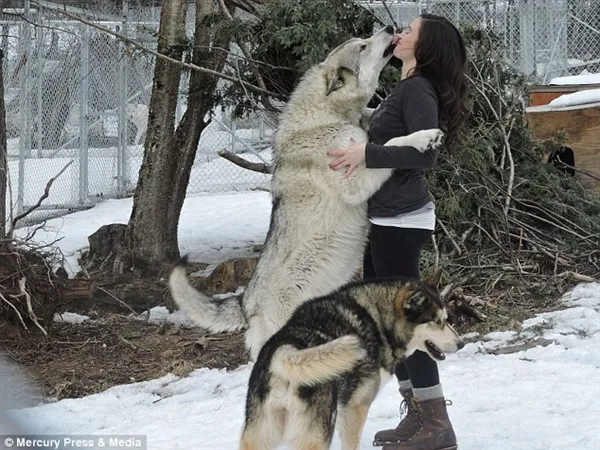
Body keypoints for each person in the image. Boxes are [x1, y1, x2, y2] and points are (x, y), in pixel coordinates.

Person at [328, 14, 469, 450]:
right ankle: (418, 415)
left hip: (401, 220)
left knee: (408, 324)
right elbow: (397, 135)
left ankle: (437, 425)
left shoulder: (417, 89)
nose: (400, 34)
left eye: (409, 31)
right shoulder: (406, 88)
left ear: (424, 48)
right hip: (385, 218)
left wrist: (364, 153)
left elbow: (425, 154)